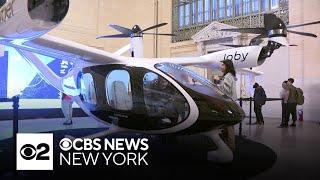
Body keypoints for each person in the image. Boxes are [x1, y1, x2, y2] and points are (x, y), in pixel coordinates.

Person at [213, 60, 237, 152]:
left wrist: (217, 81)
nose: (221, 66)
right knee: (228, 125)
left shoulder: (227, 76)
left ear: (227, 66)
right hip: (230, 103)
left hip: (228, 103)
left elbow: (225, 91)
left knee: (229, 125)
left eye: (223, 65)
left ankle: (230, 147)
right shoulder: (230, 76)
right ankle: (229, 146)